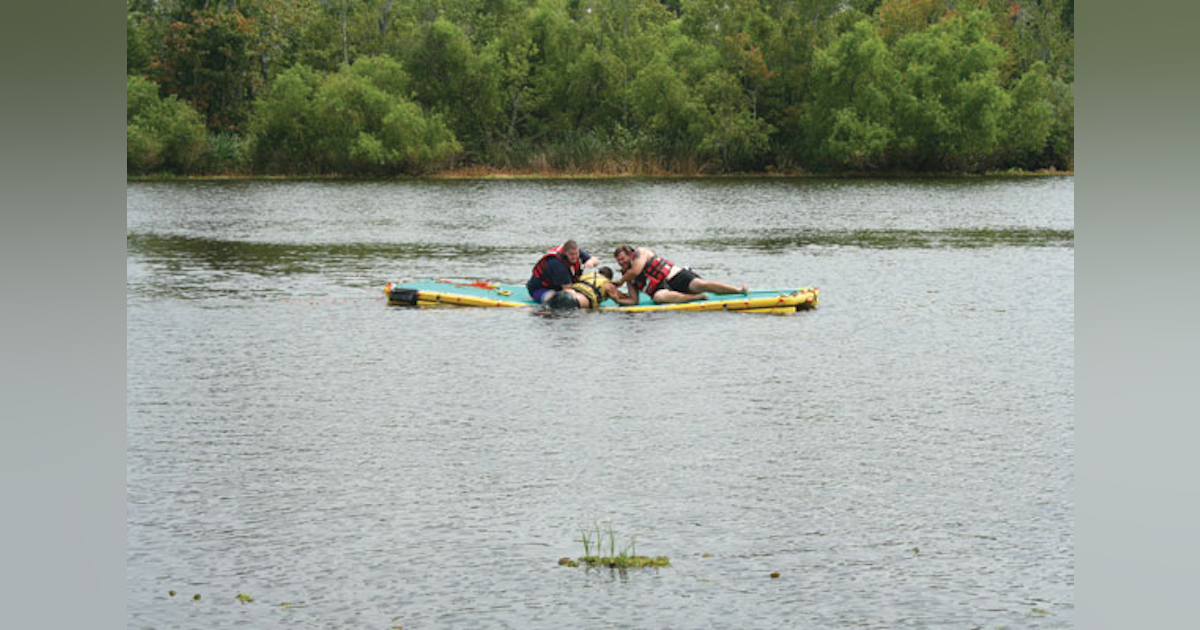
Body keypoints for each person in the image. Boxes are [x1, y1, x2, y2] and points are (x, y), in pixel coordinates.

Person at [612, 245, 747, 304]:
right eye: (618, 261)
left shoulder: (641, 253)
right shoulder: (628, 278)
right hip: (662, 290)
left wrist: (621, 281)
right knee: (658, 297)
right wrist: (616, 299)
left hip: (675, 276)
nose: (621, 263)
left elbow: (636, 271)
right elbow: (634, 300)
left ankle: (738, 290)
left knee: (701, 284)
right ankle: (695, 298)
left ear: (630, 255)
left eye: (623, 259)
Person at [527, 240, 600, 304]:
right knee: (562, 299)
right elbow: (568, 289)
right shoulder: (557, 263)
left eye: (576, 254)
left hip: (558, 287)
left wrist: (590, 262)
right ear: (565, 253)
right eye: (571, 255)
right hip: (539, 289)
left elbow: (596, 260)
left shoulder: (576, 251)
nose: (575, 257)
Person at [548, 266, 640, 309]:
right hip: (574, 301)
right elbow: (627, 300)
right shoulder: (607, 284)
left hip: (562, 294)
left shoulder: (588, 275)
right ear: (609, 278)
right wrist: (629, 282)